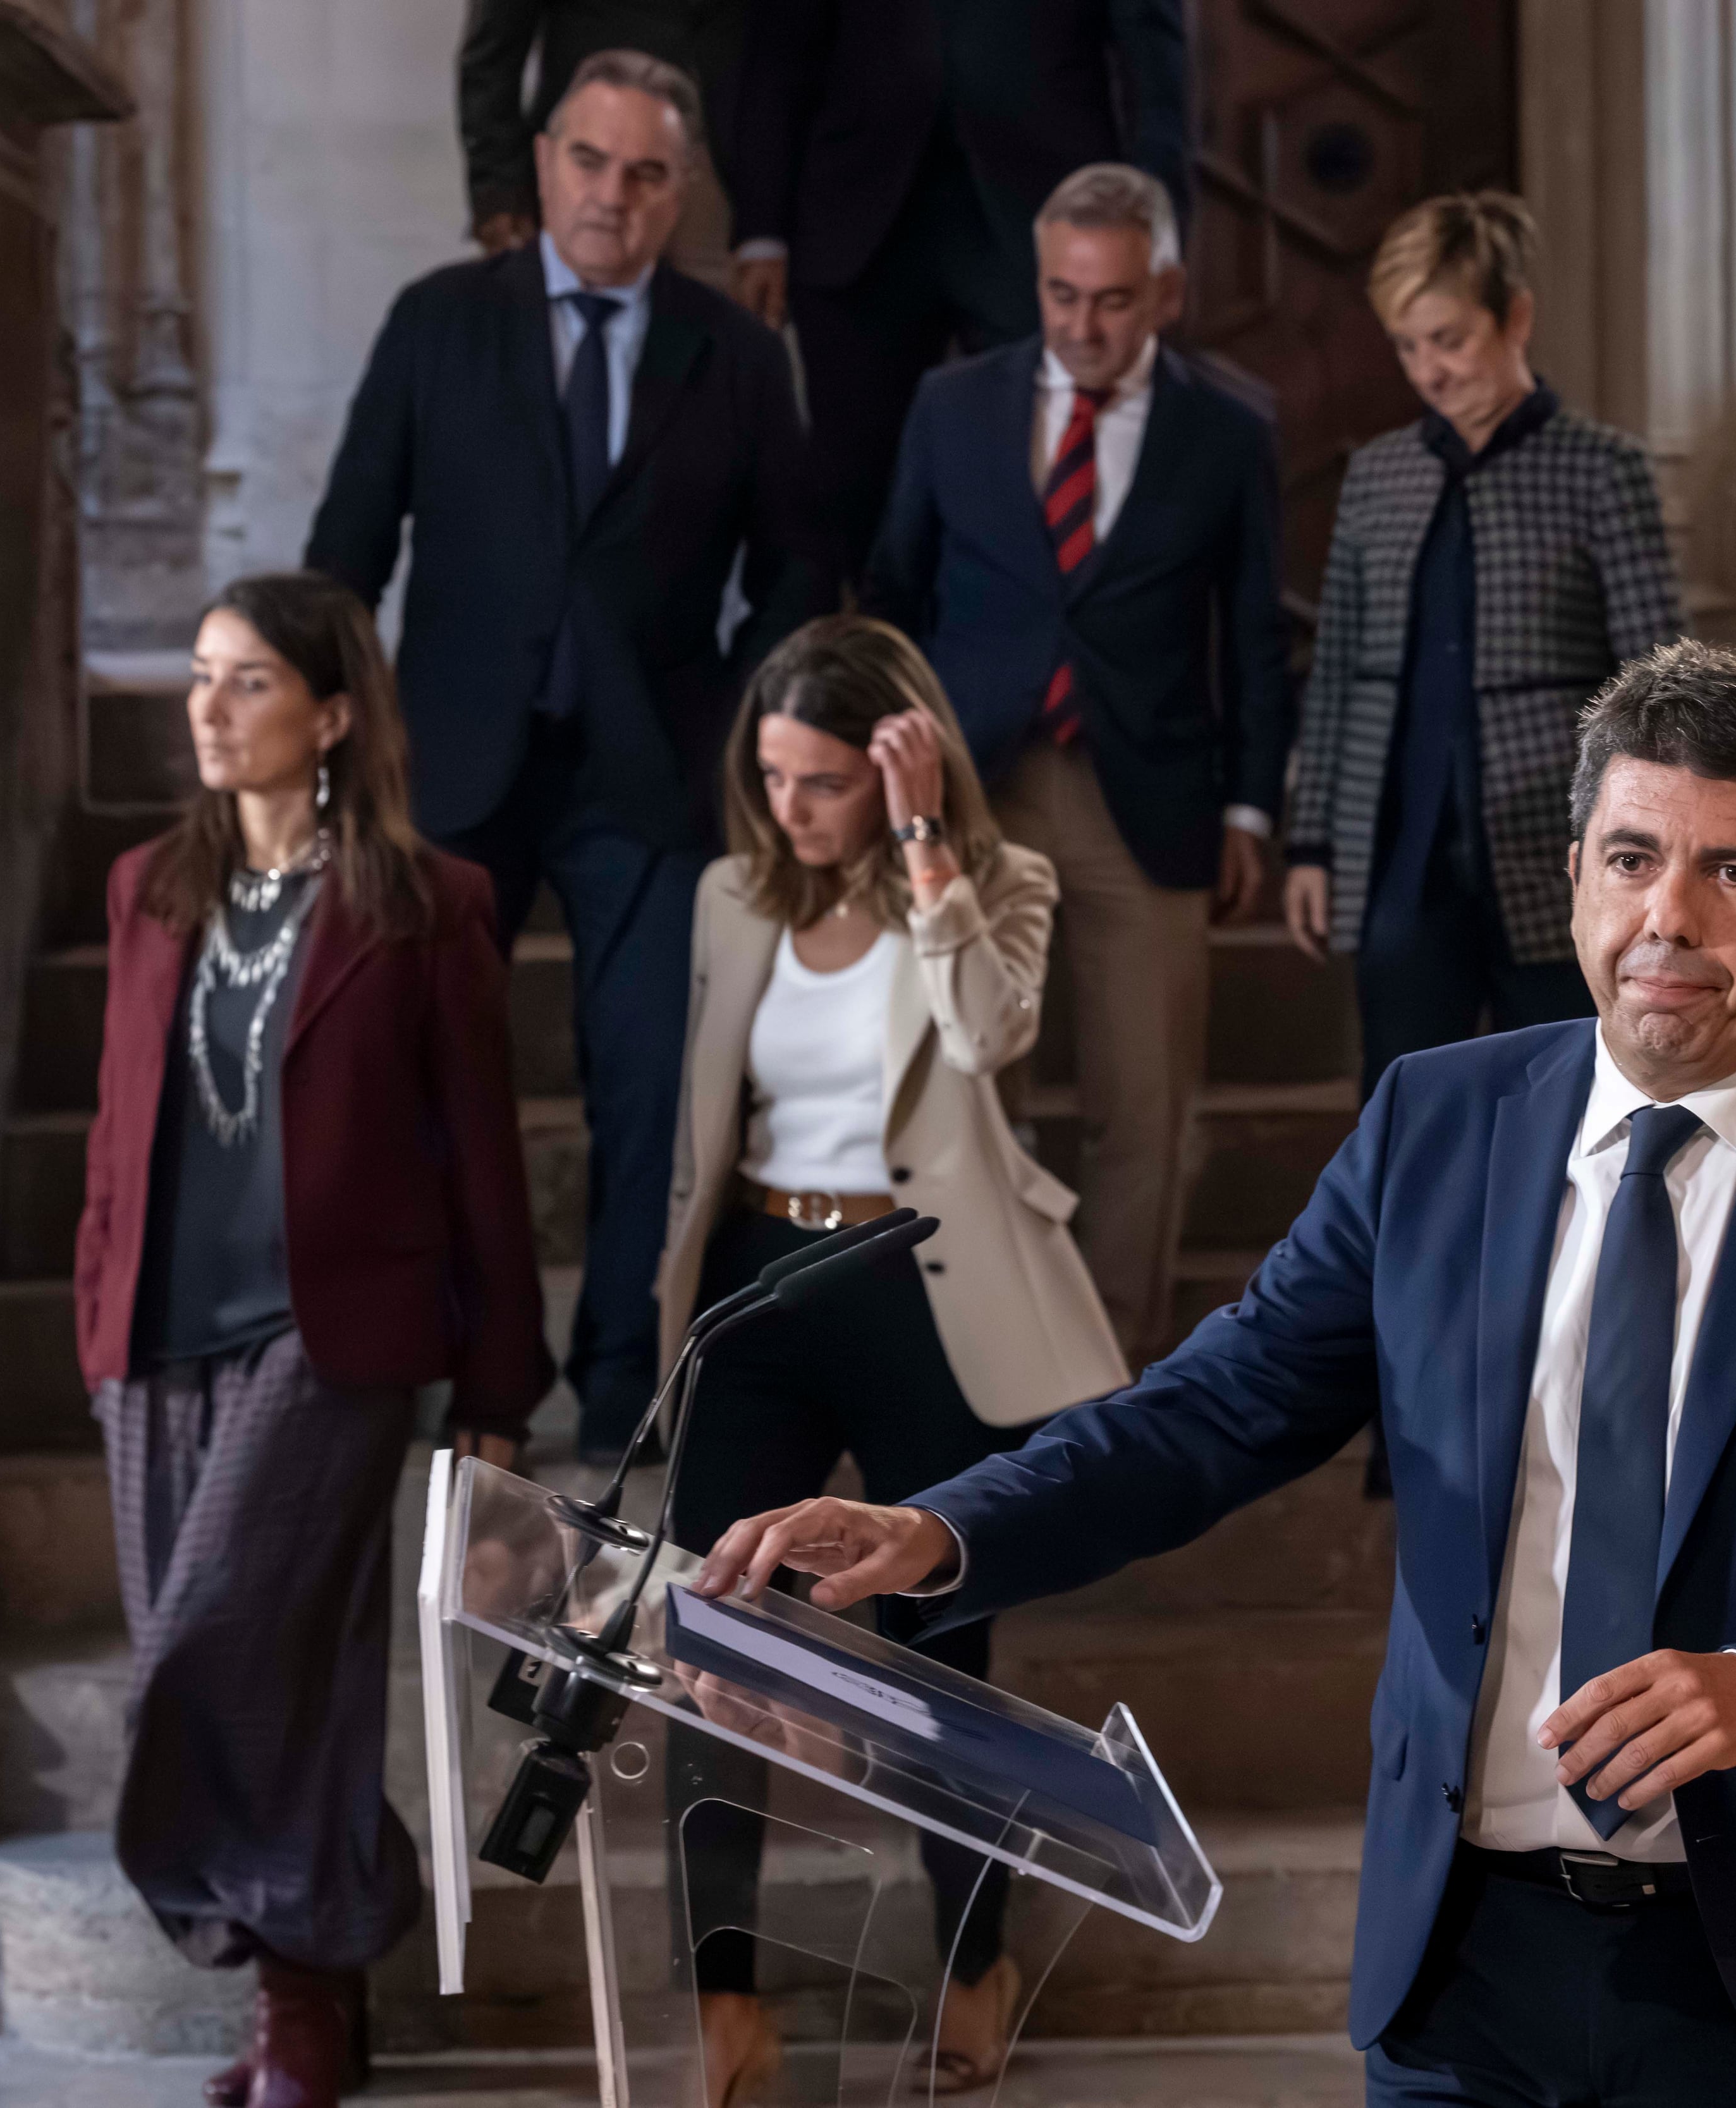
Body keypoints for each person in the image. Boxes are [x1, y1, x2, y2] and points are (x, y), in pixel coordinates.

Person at [694, 642, 1736, 2108]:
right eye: (1632, 857)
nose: (1668, 916)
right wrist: (937, 1530)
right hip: (1460, 1980)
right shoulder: (1436, 1125)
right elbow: (1214, 1407)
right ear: (1574, 871)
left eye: (1734, 874)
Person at [72, 573, 553, 2108]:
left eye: (249, 682)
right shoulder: (149, 886)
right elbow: (116, 1122)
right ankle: (313, 2003)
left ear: (332, 714)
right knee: (281, 1664)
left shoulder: (427, 906)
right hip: (153, 1334)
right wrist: (95, 1297)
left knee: (211, 1650)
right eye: (202, 678)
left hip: (331, 1338)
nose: (207, 708)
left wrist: (497, 1385)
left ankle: (307, 1960)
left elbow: (486, 1155)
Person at [308, 48, 828, 1465]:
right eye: (590, 163)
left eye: (647, 172)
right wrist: (333, 751)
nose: (613, 196)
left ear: (682, 193)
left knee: (653, 1084)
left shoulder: (732, 351)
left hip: (653, 771)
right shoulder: (437, 322)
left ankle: (619, 1388)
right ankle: (479, 1385)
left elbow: (795, 567)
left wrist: (734, 722)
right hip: (449, 756)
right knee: (430, 1082)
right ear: (541, 167)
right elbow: (347, 548)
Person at [655, 615, 1126, 2104]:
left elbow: (991, 1037)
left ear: (896, 767)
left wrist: (926, 848)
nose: (791, 807)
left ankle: (974, 1960)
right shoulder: (731, 897)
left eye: (826, 782)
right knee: (708, 1632)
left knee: (940, 1648)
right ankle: (725, 2003)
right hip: (758, 1285)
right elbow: (695, 1122)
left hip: (922, 1284)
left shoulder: (1002, 885)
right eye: (775, 776)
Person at [864, 161, 1288, 1360]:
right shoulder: (953, 406)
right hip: (972, 796)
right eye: (1062, 296)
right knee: (970, 1090)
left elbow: (1253, 635)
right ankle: (985, 1355)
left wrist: (1252, 812)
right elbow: (893, 591)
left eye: (1110, 300)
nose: (1083, 325)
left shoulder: (1229, 425)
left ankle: (1108, 1379)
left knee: (1141, 1108)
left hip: (1146, 799)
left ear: (1164, 290)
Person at [1285, 192, 1686, 1102]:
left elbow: (1658, 679)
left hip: (1557, 846)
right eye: (1408, 345)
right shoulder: (1379, 474)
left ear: (1516, 317)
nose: (1429, 368)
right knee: (1402, 1103)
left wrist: (1648, 847)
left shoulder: (1599, 468)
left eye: (1451, 339)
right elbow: (1340, 665)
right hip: (1403, 849)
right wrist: (1311, 842)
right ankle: (1414, 1253)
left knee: (1571, 1101)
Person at [729, 0, 1190, 582]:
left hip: (1047, 211)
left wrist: (1158, 236)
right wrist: (761, 230)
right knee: (854, 512)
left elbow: (1155, 57)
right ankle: (875, 669)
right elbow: (779, 48)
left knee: (1051, 497)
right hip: (858, 216)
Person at [458, 0, 747, 289]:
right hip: (589, 141)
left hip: (720, 165)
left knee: (709, 317)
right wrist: (498, 186)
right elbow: (492, 53)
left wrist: (765, 227)